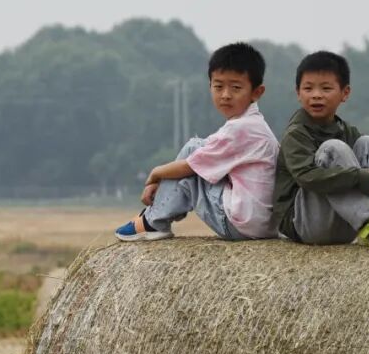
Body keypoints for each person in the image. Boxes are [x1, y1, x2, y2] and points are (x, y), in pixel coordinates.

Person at [114, 42, 280, 242]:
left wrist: (155, 174)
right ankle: (161, 212)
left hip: (241, 225)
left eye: (235, 88)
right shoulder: (254, 125)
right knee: (196, 154)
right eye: (218, 87)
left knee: (192, 154)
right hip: (265, 226)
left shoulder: (241, 129)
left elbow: (190, 165)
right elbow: (206, 151)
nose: (225, 95)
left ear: (257, 92)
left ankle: (153, 220)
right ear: (210, 86)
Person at [271, 50, 369, 248]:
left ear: (345, 93)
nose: (316, 95)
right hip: (305, 225)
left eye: (326, 88)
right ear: (298, 93)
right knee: (334, 148)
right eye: (308, 88)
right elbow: (306, 176)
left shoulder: (343, 129)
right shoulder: (296, 134)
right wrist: (357, 177)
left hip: (345, 223)